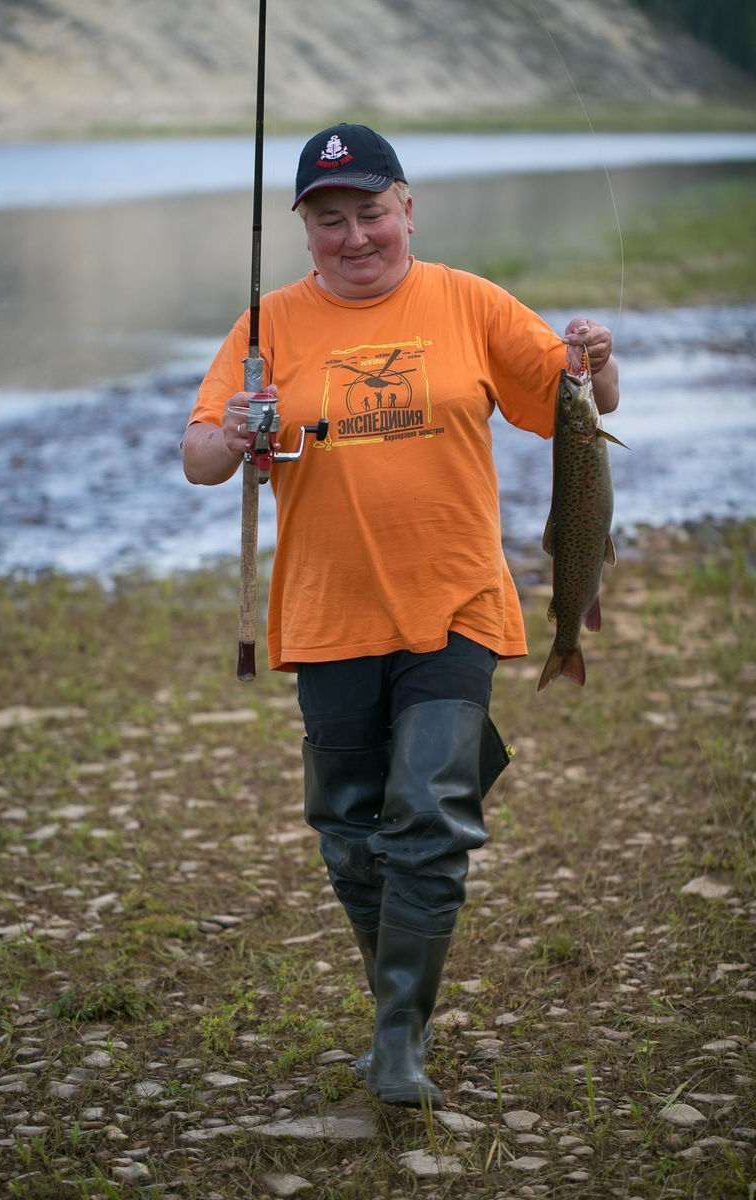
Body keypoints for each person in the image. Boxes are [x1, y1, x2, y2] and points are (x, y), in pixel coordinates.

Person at [181, 122, 619, 1108]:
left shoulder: (468, 304)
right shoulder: (267, 326)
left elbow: (578, 401)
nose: (354, 236)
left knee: (426, 816)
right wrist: (236, 431)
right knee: (348, 829)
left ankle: (394, 1042)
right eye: (328, 219)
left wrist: (596, 355)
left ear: (405, 209)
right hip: (328, 614)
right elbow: (199, 456)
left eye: (369, 212)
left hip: (455, 606)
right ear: (304, 229)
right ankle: (399, 1003)